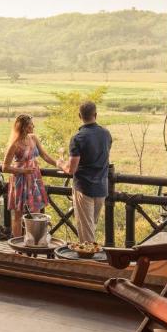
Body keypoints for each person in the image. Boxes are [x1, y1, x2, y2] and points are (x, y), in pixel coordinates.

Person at [58, 101, 113, 243]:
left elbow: (71, 169)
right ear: (95, 115)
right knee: (91, 227)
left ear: (79, 116)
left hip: (84, 188)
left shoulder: (78, 138)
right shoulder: (106, 134)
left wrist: (60, 163)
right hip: (101, 187)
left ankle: (88, 261)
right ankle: (90, 258)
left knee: (86, 230)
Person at [1, 114, 58, 238]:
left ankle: (33, 241)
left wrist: (59, 164)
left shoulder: (33, 138)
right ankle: (17, 243)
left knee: (36, 210)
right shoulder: (14, 144)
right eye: (31, 124)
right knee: (18, 213)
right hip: (20, 179)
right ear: (24, 127)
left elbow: (45, 155)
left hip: (34, 178)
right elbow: (5, 167)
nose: (34, 126)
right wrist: (24, 171)